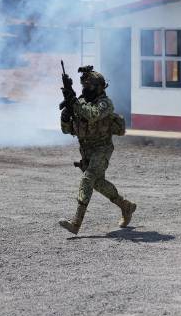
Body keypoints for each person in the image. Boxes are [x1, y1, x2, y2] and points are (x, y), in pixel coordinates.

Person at [58, 67, 136, 234]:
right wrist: (65, 117)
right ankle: (126, 206)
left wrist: (75, 103)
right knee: (98, 184)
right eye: (84, 86)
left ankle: (76, 224)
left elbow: (93, 115)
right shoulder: (81, 102)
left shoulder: (105, 104)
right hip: (86, 150)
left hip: (102, 148)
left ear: (99, 87)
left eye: (89, 86)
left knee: (87, 179)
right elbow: (69, 130)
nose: (86, 89)